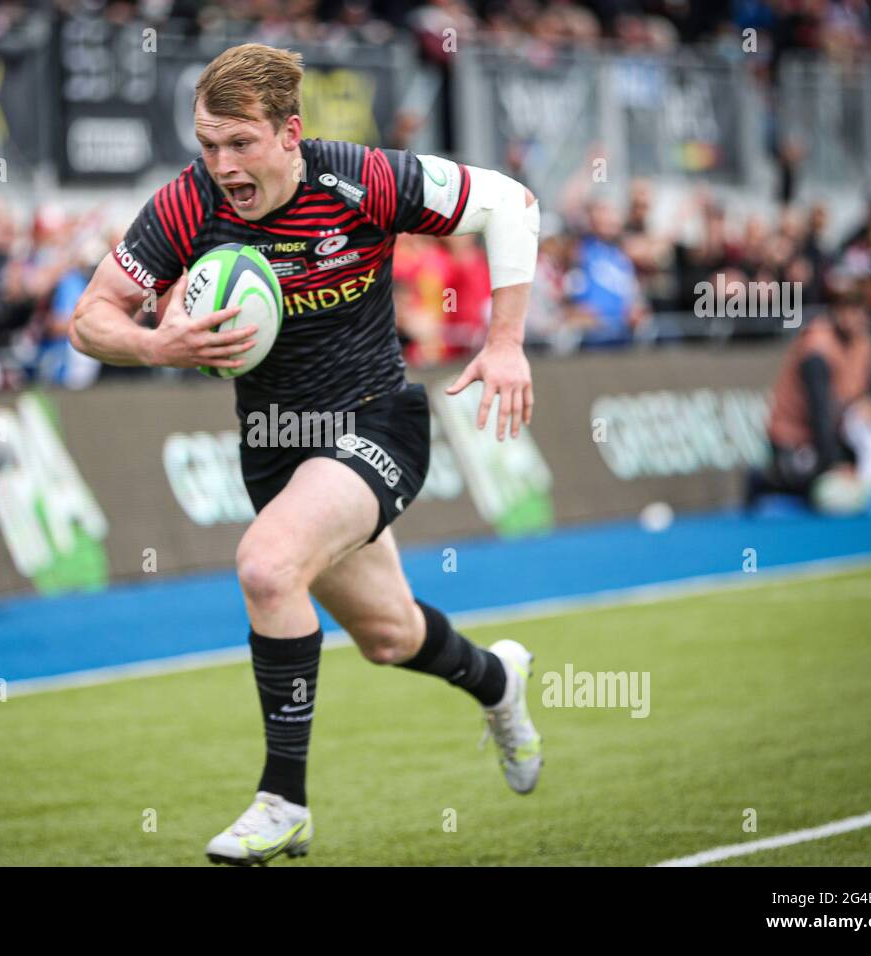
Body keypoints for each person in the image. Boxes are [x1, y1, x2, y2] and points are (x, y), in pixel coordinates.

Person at [69, 43, 543, 866]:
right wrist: (159, 346)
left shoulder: (362, 180)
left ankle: (282, 800)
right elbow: (91, 318)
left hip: (377, 422)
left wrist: (505, 342)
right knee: (391, 636)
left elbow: (513, 203)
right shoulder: (187, 206)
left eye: (240, 144)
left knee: (265, 565)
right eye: (208, 145)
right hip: (275, 450)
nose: (221, 165)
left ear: (290, 133)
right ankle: (497, 681)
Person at [748, 282, 871, 513]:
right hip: (796, 440)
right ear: (837, 311)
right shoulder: (816, 348)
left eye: (862, 312)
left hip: (836, 431)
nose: (858, 319)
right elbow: (820, 415)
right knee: (819, 483)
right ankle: (766, 479)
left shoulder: (863, 343)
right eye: (851, 310)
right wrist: (836, 464)